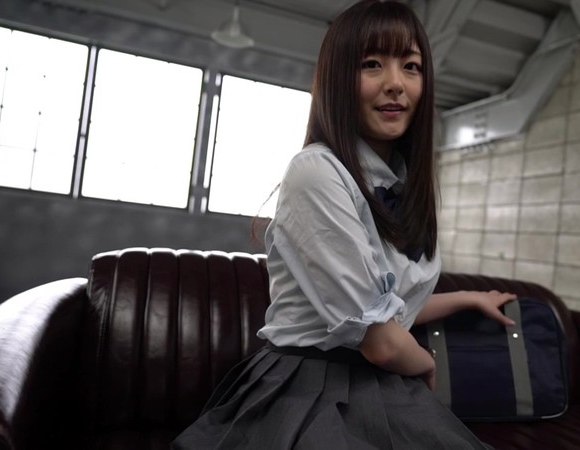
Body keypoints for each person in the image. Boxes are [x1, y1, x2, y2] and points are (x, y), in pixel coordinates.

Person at [172, 1, 515, 448]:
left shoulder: (402, 186)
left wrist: (469, 298)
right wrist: (426, 362)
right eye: (372, 64)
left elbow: (387, 306)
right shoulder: (315, 171)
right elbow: (381, 340)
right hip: (310, 385)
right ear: (337, 79)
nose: (395, 83)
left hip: (379, 380)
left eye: (411, 66)